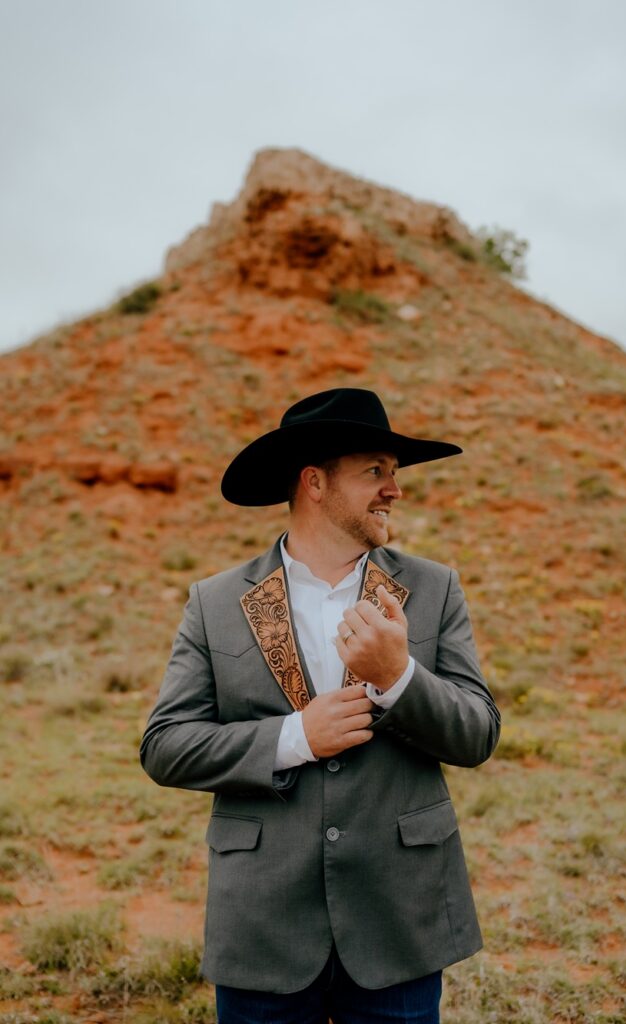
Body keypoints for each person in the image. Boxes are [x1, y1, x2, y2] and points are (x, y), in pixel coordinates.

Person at [140, 387, 500, 1024]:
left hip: (399, 919)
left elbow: (478, 735)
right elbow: (166, 745)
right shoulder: (215, 602)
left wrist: (398, 678)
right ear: (314, 482)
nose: (394, 489)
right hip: (264, 926)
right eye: (375, 472)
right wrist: (295, 737)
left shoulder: (433, 588)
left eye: (394, 473)